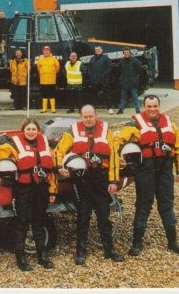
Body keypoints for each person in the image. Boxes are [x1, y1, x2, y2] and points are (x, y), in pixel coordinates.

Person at [114, 94, 179, 257]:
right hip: (145, 170)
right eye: (149, 106)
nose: (152, 109)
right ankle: (137, 243)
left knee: (167, 204)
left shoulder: (171, 125)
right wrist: (117, 156)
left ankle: (173, 242)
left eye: (155, 106)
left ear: (159, 107)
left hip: (165, 170)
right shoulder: (135, 125)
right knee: (143, 205)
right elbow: (116, 140)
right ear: (144, 107)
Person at [55, 105, 125, 265]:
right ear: (81, 117)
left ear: (96, 115)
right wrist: (60, 166)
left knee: (104, 217)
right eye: (85, 116)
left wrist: (114, 180)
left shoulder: (106, 131)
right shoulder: (72, 131)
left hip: (101, 180)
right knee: (83, 217)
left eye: (90, 116)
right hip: (82, 180)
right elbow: (59, 151)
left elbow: (113, 156)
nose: (88, 119)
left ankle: (109, 250)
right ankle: (81, 252)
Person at [0, 118, 56, 271]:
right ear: (23, 130)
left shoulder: (45, 144)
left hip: (41, 188)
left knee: (40, 221)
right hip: (23, 189)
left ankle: (42, 257)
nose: (31, 132)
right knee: (22, 222)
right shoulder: (13, 145)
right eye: (28, 129)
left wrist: (52, 191)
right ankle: (21, 258)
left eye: (34, 129)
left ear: (38, 131)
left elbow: (51, 171)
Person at [116, 47, 142, 114]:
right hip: (124, 81)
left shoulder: (135, 61)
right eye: (125, 53)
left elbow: (139, 69)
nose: (126, 54)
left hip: (133, 81)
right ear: (123, 54)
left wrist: (135, 77)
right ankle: (121, 109)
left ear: (130, 53)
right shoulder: (121, 61)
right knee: (123, 97)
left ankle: (137, 110)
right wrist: (121, 79)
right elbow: (119, 71)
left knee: (135, 96)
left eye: (127, 52)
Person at [37, 45, 60, 113]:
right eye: (44, 50)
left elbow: (57, 68)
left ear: (49, 51)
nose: (46, 51)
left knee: (52, 94)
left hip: (52, 80)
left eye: (47, 50)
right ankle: (44, 109)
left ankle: (53, 109)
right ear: (43, 51)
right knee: (44, 95)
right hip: (43, 81)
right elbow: (39, 68)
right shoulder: (40, 59)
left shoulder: (54, 59)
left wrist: (52, 73)